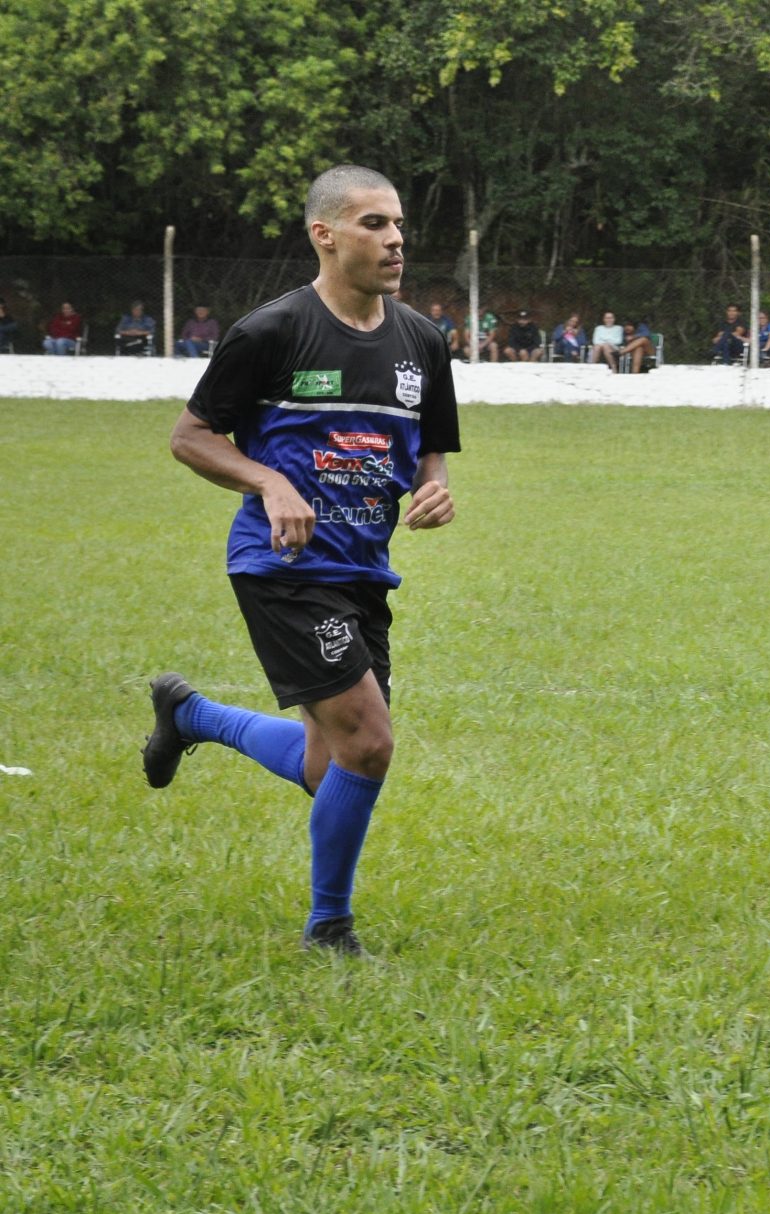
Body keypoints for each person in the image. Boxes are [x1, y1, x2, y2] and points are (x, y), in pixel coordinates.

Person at [143, 163, 459, 957]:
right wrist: (269, 481)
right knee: (369, 744)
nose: (395, 240)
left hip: (364, 572)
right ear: (325, 235)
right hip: (282, 566)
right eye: (374, 224)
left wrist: (435, 488)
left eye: (398, 224)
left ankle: (191, 715)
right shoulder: (272, 331)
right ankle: (329, 929)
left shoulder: (423, 342)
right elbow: (191, 437)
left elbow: (431, 448)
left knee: (331, 768)